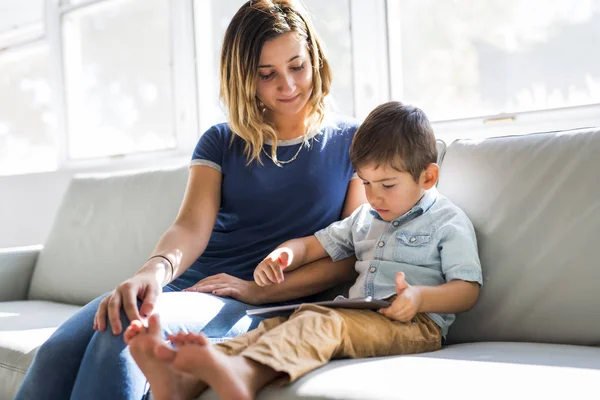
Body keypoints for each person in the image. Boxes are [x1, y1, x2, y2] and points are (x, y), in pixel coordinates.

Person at [15, 1, 366, 399]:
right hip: (190, 289)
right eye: (267, 74)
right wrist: (153, 273)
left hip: (263, 303)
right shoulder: (221, 141)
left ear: (314, 60)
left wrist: (257, 289)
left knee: (125, 333)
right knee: (57, 352)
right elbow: (190, 227)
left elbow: (348, 256)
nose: (287, 85)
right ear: (244, 79)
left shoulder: (353, 143)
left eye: (297, 66)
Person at [123, 101, 484, 400]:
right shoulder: (367, 216)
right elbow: (316, 244)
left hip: (415, 326)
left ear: (428, 177)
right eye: (367, 183)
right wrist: (285, 255)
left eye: (387, 185)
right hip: (357, 315)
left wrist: (421, 298)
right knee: (279, 325)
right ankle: (181, 378)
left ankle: (245, 374)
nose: (374, 196)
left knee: (317, 322)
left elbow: (468, 291)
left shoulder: (447, 222)